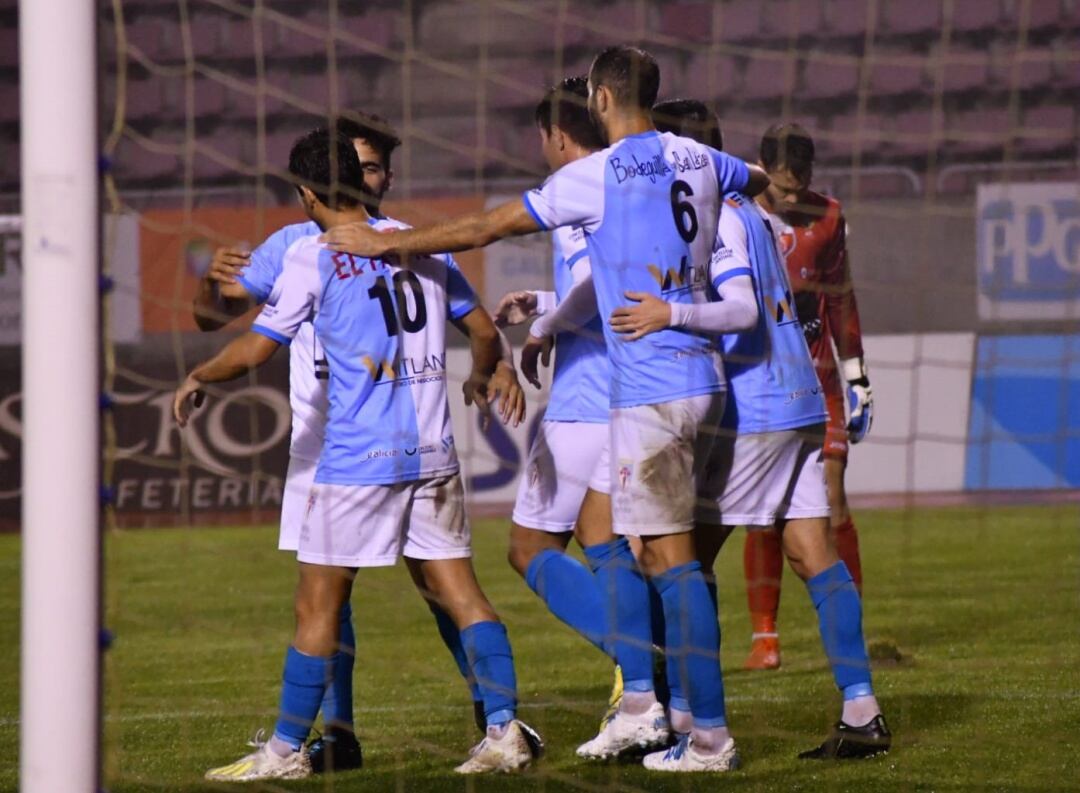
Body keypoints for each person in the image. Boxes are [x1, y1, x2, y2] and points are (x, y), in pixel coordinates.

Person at [320, 45, 770, 773]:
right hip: (705, 379)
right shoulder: (697, 158)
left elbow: (485, 228)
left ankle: (688, 717)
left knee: (656, 559)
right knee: (630, 545)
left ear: (600, 99)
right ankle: (666, 707)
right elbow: (756, 178)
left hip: (646, 386)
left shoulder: (593, 177)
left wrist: (381, 243)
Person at [178, 129, 538, 781]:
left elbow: (257, 347)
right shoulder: (419, 242)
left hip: (356, 458)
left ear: (307, 193)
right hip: (432, 451)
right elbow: (483, 331)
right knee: (460, 593)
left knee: (317, 604)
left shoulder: (311, 255)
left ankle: (285, 751)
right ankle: (503, 728)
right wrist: (483, 374)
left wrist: (200, 374)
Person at [612, 103, 892, 761]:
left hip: (758, 407)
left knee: (676, 561)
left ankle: (690, 724)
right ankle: (861, 711)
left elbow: (740, 311)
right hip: (801, 398)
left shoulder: (718, 218)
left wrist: (669, 314)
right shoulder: (756, 211)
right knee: (812, 552)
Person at [190, 113, 401, 773]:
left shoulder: (406, 241)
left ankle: (496, 719)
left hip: (396, 437)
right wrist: (209, 282)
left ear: (386, 177)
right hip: (320, 443)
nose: (362, 178)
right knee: (329, 595)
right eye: (353, 166)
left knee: (442, 582)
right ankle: (337, 735)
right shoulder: (291, 244)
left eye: (372, 167)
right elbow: (214, 314)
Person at [494, 76, 658, 757]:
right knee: (616, 544)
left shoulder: (574, 188)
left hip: (584, 403)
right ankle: (648, 679)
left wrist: (543, 328)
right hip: (637, 395)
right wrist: (543, 301)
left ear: (558, 136)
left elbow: (593, 287)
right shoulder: (634, 183)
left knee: (530, 547)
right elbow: (612, 282)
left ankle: (643, 665)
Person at [742, 123, 874, 671]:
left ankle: (852, 632)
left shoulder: (829, 217)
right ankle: (765, 639)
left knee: (834, 498)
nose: (791, 200)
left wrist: (858, 376)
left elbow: (840, 298)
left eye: (799, 189)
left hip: (819, 382)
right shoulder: (736, 212)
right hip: (757, 381)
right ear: (761, 171)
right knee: (762, 513)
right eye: (781, 189)